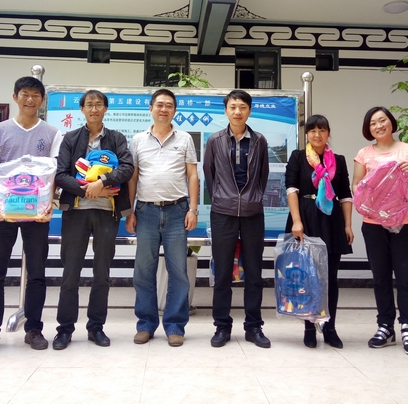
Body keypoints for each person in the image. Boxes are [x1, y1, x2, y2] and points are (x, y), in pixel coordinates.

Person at [0, 76, 62, 355]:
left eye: (35, 95)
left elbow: (52, 174)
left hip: (37, 212)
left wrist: (49, 204)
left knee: (37, 272)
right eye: (25, 94)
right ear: (15, 97)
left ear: (42, 100)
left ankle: (34, 328)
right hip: (3, 210)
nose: (30, 99)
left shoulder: (51, 133)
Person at [52, 89, 134, 350]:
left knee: (102, 273)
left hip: (107, 213)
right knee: (70, 272)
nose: (94, 109)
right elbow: (60, 174)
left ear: (105, 109)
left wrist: (103, 182)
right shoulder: (70, 138)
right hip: (75, 213)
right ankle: (65, 329)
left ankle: (96, 327)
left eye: (99, 104)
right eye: (89, 105)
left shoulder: (116, 138)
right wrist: (88, 189)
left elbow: (127, 168)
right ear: (82, 109)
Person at [126, 88, 199, 347]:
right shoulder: (138, 140)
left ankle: (175, 325)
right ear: (151, 108)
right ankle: (145, 324)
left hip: (177, 211)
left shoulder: (185, 139)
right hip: (146, 212)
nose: (164, 109)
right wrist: (130, 211)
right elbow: (133, 177)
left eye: (169, 105)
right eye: (159, 104)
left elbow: (192, 175)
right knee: (143, 271)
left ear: (175, 110)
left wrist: (193, 209)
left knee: (178, 272)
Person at [352, 106, 408, 356]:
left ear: (391, 123)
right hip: (373, 224)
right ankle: (385, 326)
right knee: (380, 277)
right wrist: (371, 189)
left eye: (382, 120)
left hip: (406, 221)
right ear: (368, 129)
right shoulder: (363, 154)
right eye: (373, 123)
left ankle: (407, 327)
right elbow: (356, 186)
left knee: (406, 276)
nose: (378, 126)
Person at [203, 90, 271, 349]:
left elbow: (263, 175)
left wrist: (253, 197)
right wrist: (222, 197)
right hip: (223, 211)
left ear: (249, 110)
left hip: (253, 212)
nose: (237, 111)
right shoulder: (215, 140)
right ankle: (222, 326)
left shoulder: (259, 141)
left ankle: (254, 327)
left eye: (242, 107)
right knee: (222, 273)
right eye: (232, 107)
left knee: (254, 272)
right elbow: (209, 173)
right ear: (226, 111)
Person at [285, 114, 354, 349]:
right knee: (306, 275)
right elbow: (291, 189)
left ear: (328, 133)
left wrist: (347, 225)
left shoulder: (339, 160)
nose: (317, 134)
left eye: (322, 130)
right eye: (312, 130)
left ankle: (329, 327)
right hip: (305, 218)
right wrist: (297, 221)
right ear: (307, 134)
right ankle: (308, 326)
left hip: (331, 220)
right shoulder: (298, 157)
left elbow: (345, 195)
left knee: (330, 277)